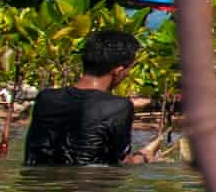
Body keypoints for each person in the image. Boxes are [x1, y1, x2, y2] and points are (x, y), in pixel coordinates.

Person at [23, 28, 157, 167]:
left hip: (37, 185)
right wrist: (143, 157)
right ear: (118, 70)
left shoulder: (45, 98)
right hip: (87, 185)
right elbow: (123, 161)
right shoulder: (118, 106)